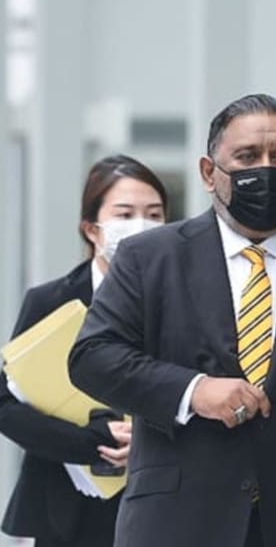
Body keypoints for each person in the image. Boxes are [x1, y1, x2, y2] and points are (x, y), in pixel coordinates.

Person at [67, 94, 276, 547]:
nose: (265, 169)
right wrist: (193, 391)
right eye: (247, 157)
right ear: (210, 172)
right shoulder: (150, 259)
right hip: (178, 525)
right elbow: (93, 356)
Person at [0, 154, 168, 547]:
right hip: (66, 507)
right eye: (124, 213)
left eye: (154, 214)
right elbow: (5, 403)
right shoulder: (51, 301)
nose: (141, 225)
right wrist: (91, 442)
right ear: (92, 229)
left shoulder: (186, 301)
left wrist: (145, 438)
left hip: (157, 504)